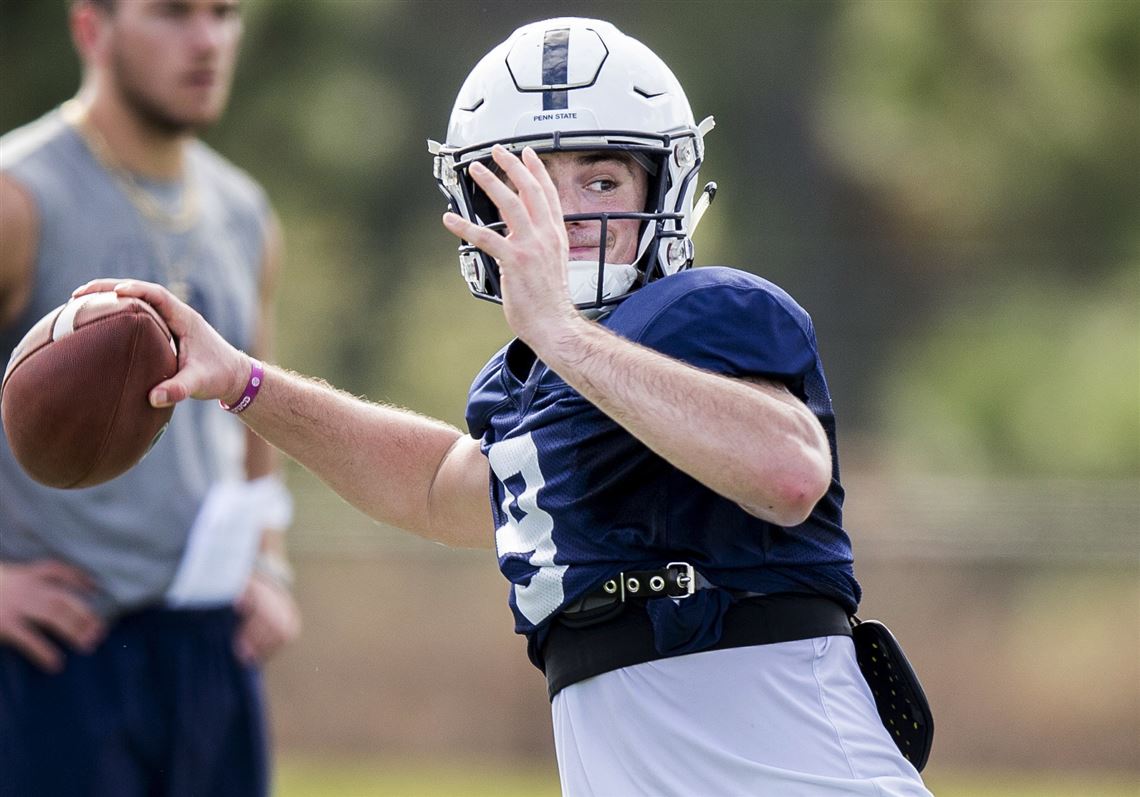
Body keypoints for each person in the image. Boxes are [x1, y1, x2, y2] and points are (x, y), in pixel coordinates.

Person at [74, 16, 931, 796]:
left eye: (601, 180)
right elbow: (436, 486)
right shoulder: (532, 379)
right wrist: (244, 382)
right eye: (531, 186)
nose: (568, 219)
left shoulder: (703, 311)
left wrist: (562, 329)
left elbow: (787, 471)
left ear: (665, 187)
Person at [0, 1, 300, 796]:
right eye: (172, 13)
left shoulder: (244, 212)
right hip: (57, 653)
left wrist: (269, 561)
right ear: (92, 29)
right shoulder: (17, 194)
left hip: (209, 648)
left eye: (223, 13)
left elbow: (254, 408)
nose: (207, 40)